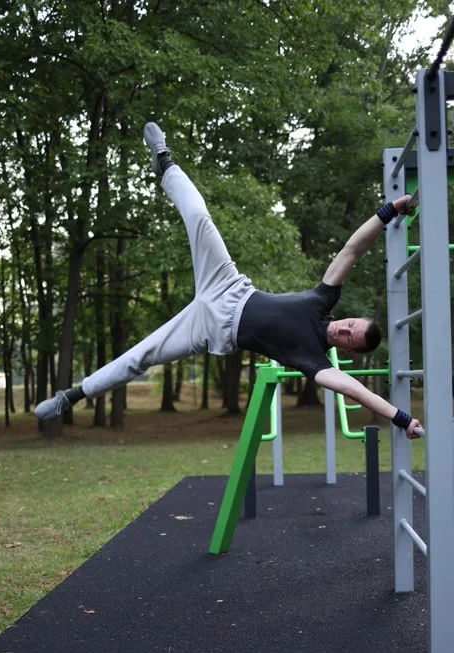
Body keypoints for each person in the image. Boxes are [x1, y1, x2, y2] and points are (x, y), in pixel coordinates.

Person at [35, 122, 423, 439]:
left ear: (350, 352)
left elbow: (356, 390)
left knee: (141, 357)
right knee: (201, 218)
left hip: (212, 328)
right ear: (351, 316)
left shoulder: (314, 362)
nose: (342, 330)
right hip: (229, 285)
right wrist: (389, 210)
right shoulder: (322, 302)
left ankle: (70, 396)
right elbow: (351, 251)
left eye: (347, 338)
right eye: (349, 324)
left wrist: (402, 419)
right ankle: (165, 163)